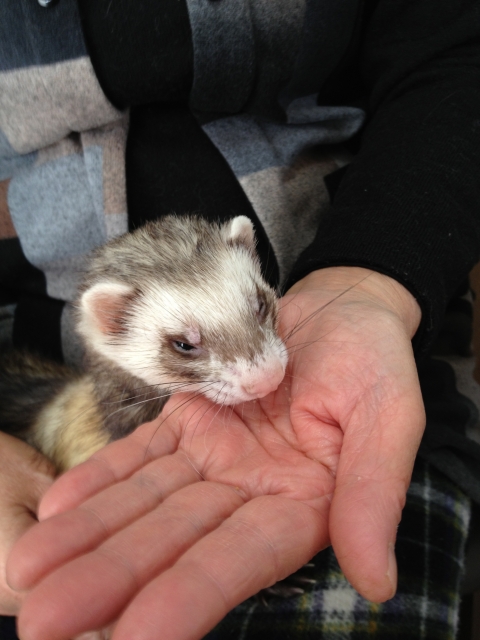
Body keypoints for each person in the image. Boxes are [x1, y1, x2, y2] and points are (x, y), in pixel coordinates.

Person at [0, 0, 479, 638]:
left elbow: (455, 58)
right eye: (187, 345)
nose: (260, 370)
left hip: (386, 376)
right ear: (111, 327)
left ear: (246, 253)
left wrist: (373, 282)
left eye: (258, 307)